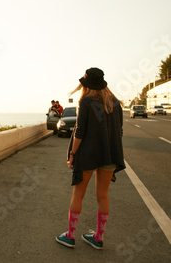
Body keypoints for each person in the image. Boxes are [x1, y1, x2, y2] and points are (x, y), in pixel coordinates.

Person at [56, 67, 125, 250]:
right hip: (109, 154)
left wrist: (72, 154)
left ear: (87, 85)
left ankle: (70, 236)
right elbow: (120, 131)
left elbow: (80, 132)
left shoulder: (86, 102)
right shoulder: (115, 103)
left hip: (87, 154)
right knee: (103, 196)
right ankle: (98, 238)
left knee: (78, 193)